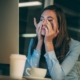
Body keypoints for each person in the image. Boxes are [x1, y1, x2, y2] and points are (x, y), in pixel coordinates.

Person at [24, 5, 80, 80]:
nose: (43, 23)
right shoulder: (34, 41)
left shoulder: (75, 45)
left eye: (49, 20)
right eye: (41, 19)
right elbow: (28, 73)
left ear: (59, 25)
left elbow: (58, 77)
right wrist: (40, 41)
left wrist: (48, 42)